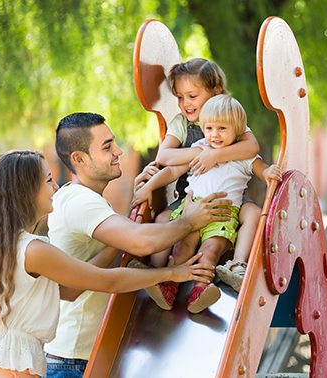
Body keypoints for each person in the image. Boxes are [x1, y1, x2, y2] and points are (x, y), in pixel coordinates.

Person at [0, 149, 220, 378]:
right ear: (27, 191)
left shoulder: (0, 246)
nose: (56, 187)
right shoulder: (34, 250)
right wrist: (170, 272)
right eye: (48, 180)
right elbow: (108, 281)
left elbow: (70, 290)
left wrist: (118, 241)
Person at [43, 112, 232, 378]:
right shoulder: (79, 201)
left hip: (84, 355)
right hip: (74, 361)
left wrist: (136, 209)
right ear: (79, 159)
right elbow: (142, 243)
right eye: (107, 147)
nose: (118, 151)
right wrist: (189, 221)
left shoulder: (84, 200)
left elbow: (117, 246)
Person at [131, 95, 282, 313]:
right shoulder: (200, 148)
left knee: (209, 251)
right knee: (181, 248)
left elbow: (262, 169)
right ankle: (168, 288)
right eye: (209, 128)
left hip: (222, 214)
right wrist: (148, 187)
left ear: (238, 130)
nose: (215, 134)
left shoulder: (243, 155)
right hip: (191, 211)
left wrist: (269, 172)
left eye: (222, 128)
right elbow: (173, 170)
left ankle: (200, 292)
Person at [136, 58, 263, 285]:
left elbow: (251, 147)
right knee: (164, 218)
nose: (186, 103)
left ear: (216, 92)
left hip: (228, 195)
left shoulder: (230, 117)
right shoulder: (182, 123)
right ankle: (154, 271)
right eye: (180, 97)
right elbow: (164, 157)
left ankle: (238, 265)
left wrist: (215, 155)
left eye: (192, 96)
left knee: (252, 212)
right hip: (191, 195)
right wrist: (202, 152)